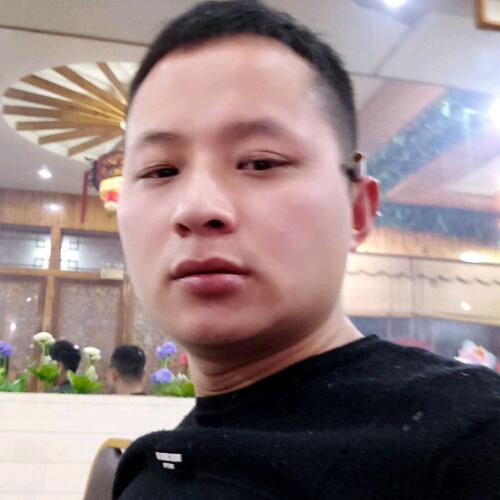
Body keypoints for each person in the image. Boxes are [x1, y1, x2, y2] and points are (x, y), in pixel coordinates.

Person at [113, 1, 500, 498]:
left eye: (260, 162)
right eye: (160, 170)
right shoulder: (152, 467)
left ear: (357, 211)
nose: (197, 208)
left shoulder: (472, 441)